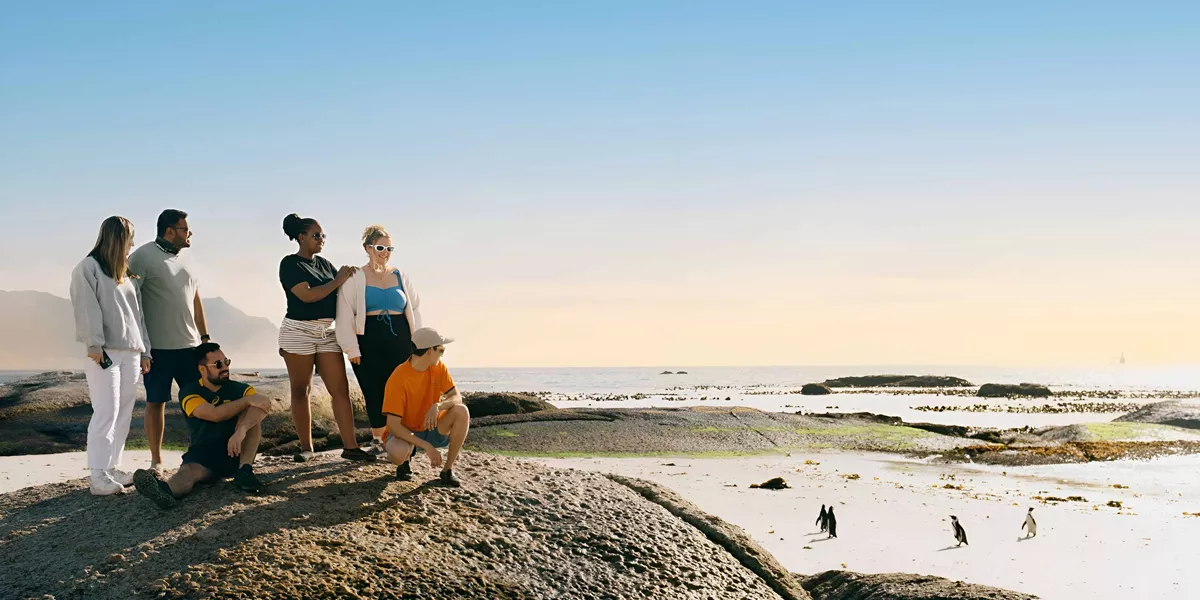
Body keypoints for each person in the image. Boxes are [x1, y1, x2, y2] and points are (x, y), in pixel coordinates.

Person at [278, 213, 373, 462]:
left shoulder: (325, 264)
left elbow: (341, 295)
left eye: (323, 235)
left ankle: (351, 447)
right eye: (316, 235)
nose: (322, 239)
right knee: (301, 389)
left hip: (327, 331)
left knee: (340, 389)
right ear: (301, 237)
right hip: (298, 331)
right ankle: (306, 449)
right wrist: (338, 279)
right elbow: (307, 295)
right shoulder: (290, 264)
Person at [69, 216, 152, 496]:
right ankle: (97, 475)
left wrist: (145, 351)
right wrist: (94, 346)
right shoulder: (88, 268)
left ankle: (113, 467)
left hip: (131, 351)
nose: (133, 243)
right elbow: (86, 309)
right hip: (104, 352)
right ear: (118, 237)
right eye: (130, 237)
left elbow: (138, 317)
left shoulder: (127, 274)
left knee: (124, 411)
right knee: (106, 411)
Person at [132, 343, 269, 508]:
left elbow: (264, 403)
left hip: (237, 450)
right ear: (202, 369)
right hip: (204, 453)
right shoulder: (190, 392)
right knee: (188, 472)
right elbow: (215, 414)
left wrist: (241, 430)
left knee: (252, 417)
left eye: (226, 362)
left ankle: (245, 471)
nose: (225, 368)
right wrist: (246, 401)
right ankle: (166, 492)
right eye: (218, 364)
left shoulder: (241, 389)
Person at [128, 209, 210, 473]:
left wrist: (205, 338)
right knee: (156, 402)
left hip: (190, 347)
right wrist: (141, 347)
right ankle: (156, 460)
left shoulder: (189, 257)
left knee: (197, 402)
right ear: (169, 231)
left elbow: (195, 298)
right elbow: (130, 303)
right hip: (158, 349)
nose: (190, 233)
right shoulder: (140, 258)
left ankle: (199, 456)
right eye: (185, 229)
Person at [336, 225, 423, 453]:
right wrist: (351, 348)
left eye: (389, 249)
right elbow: (344, 312)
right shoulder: (355, 277)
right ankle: (378, 441)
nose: (385, 253)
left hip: (401, 339)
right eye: (380, 248)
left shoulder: (400, 276)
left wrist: (418, 343)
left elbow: (415, 309)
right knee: (373, 390)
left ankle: (403, 439)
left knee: (402, 390)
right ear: (368, 248)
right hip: (368, 339)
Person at [381, 328, 470, 487]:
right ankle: (404, 461)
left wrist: (438, 405)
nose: (442, 354)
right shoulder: (398, 378)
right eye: (441, 350)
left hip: (430, 427)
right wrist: (427, 447)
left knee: (462, 411)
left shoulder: (439, 368)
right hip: (404, 433)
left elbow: (457, 397)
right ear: (429, 351)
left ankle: (447, 471)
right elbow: (393, 425)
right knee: (398, 453)